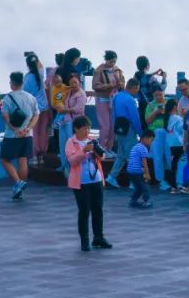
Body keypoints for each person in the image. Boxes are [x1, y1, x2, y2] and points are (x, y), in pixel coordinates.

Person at [65, 116, 112, 251]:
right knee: (84, 211)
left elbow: (102, 156)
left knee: (98, 210)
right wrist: (83, 151)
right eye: (84, 129)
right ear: (76, 129)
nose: (87, 131)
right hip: (81, 182)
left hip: (96, 180)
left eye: (88, 128)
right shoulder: (71, 142)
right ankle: (84, 241)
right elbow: (72, 161)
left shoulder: (92, 140)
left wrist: (96, 151)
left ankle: (98, 237)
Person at [0, 71, 39, 200]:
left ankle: (18, 183)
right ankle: (19, 190)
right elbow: (36, 115)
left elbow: (6, 117)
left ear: (12, 83)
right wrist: (28, 129)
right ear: (22, 83)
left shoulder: (8, 98)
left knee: (5, 160)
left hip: (12, 135)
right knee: (23, 160)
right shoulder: (31, 97)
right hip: (27, 135)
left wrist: (15, 130)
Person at [107, 77, 142, 188]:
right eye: (137, 89)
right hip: (128, 130)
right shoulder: (130, 100)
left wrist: (115, 129)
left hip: (119, 129)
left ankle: (111, 177)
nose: (137, 92)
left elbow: (113, 114)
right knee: (133, 156)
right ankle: (133, 182)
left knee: (121, 155)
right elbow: (135, 118)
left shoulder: (117, 96)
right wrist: (140, 133)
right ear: (134, 87)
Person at [91, 50, 123, 150]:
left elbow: (122, 84)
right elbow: (95, 85)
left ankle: (109, 148)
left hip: (113, 100)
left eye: (114, 61)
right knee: (105, 126)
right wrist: (108, 86)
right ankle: (102, 148)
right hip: (102, 99)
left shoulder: (117, 70)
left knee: (113, 125)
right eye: (111, 61)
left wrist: (121, 84)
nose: (113, 63)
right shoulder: (99, 70)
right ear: (106, 60)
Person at [23, 52, 51, 164]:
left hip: (34, 109)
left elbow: (24, 94)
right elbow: (40, 65)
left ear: (27, 65)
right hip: (44, 108)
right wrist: (34, 55)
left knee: (34, 132)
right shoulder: (40, 74)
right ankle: (42, 156)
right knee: (43, 132)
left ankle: (34, 156)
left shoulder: (27, 78)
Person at [58, 73, 88, 175]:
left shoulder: (82, 94)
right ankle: (63, 165)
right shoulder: (68, 92)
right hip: (65, 121)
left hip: (75, 123)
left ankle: (70, 168)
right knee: (62, 144)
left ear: (79, 82)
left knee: (71, 145)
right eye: (71, 83)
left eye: (75, 82)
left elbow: (80, 109)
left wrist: (66, 110)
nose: (73, 85)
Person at [145, 86, 169, 189]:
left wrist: (165, 111)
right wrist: (155, 112)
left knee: (169, 156)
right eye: (156, 95)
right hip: (155, 133)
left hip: (168, 132)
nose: (158, 97)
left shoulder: (170, 102)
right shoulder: (150, 105)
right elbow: (147, 122)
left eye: (160, 94)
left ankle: (171, 178)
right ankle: (161, 180)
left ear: (164, 93)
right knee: (157, 157)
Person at [132, 55, 167, 126]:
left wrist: (154, 73)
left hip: (141, 105)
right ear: (148, 65)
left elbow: (144, 77)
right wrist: (164, 78)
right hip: (151, 105)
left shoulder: (135, 77)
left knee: (144, 126)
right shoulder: (151, 78)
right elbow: (161, 88)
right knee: (152, 126)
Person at [164, 99, 189, 194]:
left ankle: (174, 186)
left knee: (174, 164)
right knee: (182, 164)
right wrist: (184, 116)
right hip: (180, 143)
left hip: (171, 144)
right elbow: (183, 129)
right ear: (175, 107)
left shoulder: (167, 118)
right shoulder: (178, 118)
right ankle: (180, 184)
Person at [128, 131, 154, 208]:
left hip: (131, 171)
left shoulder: (135, 146)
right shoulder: (143, 148)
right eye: (151, 140)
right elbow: (144, 162)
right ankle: (146, 201)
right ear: (145, 138)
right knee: (145, 187)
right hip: (138, 171)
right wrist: (147, 174)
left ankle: (133, 200)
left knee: (138, 188)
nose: (151, 142)